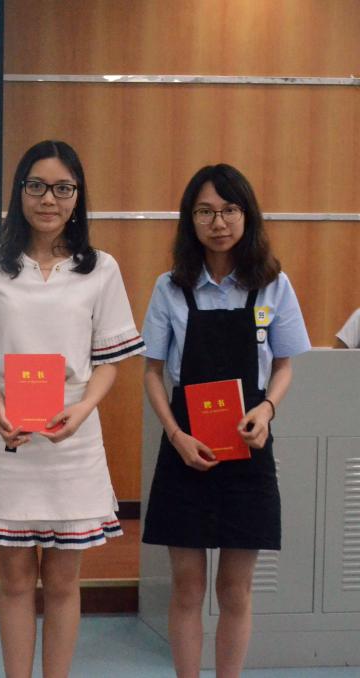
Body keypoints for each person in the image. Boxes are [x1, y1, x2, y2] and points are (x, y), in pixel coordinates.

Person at [0, 140, 144, 678]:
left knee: (62, 582)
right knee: (13, 581)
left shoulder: (100, 269)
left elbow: (109, 362)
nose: (48, 199)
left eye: (62, 188)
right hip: (9, 435)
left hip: (72, 438)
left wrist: (83, 410)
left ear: (77, 196)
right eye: (36, 186)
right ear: (19, 192)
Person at [141, 164, 311, 677]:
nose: (218, 223)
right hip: (185, 446)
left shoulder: (273, 285)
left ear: (247, 215)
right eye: (205, 212)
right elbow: (152, 373)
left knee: (236, 588)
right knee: (187, 586)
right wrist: (176, 435)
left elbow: (284, 366)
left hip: (249, 447)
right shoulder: (170, 287)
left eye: (229, 210)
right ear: (190, 220)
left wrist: (267, 409)